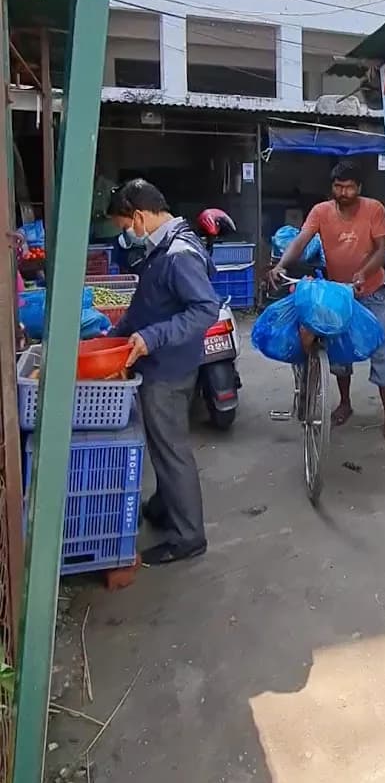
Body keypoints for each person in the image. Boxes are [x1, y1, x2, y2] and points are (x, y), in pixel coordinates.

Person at [110, 179, 219, 565]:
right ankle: (162, 505)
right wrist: (118, 335)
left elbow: (205, 309)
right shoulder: (163, 247)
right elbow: (152, 302)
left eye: (125, 227)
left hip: (168, 367)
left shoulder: (179, 254)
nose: (126, 236)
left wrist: (153, 336)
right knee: (162, 442)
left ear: (139, 217)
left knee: (171, 450)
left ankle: (189, 536)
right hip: (162, 360)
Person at [270, 159, 385, 442]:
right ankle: (344, 403)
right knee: (339, 349)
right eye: (338, 187)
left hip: (372, 291)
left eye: (349, 187)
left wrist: (363, 273)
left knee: (380, 352)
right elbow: (301, 241)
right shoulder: (321, 211)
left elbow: (382, 250)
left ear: (359, 188)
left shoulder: (374, 209)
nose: (343, 193)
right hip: (337, 291)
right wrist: (282, 264)